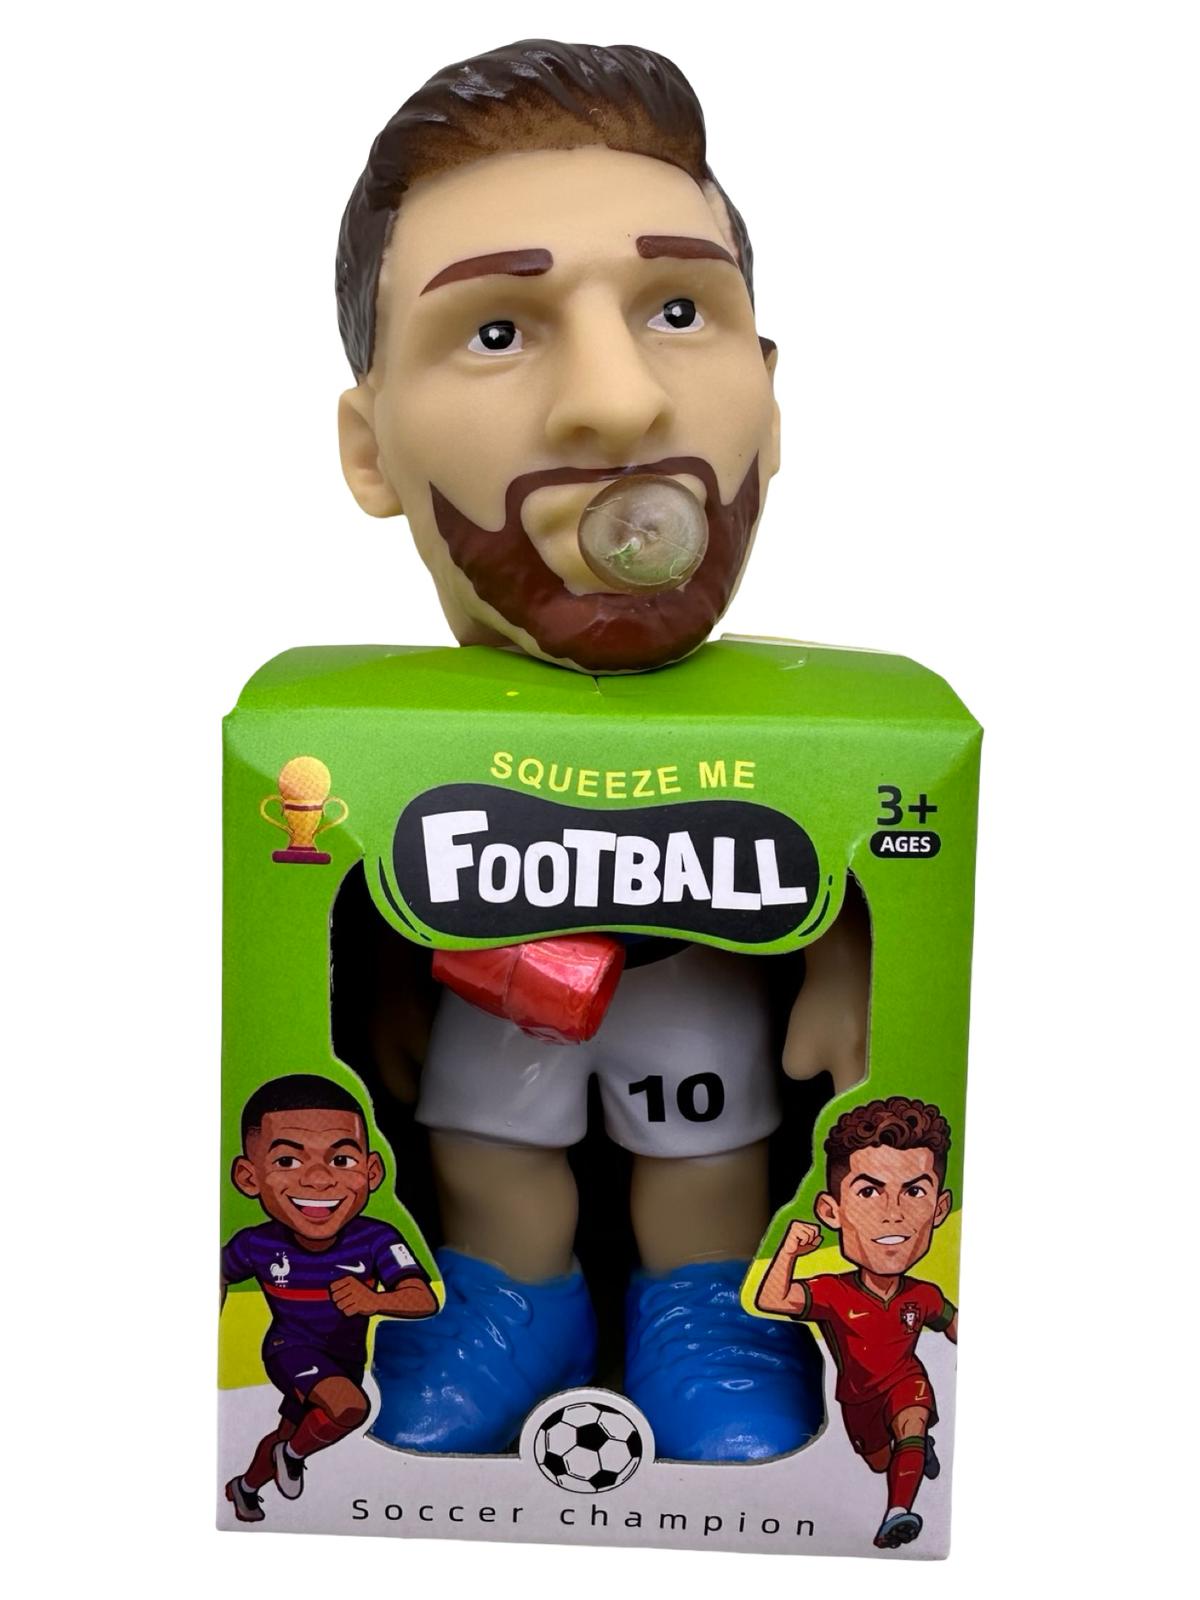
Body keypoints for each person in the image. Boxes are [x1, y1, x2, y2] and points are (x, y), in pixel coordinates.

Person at [335, 39, 870, 1460]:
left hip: (691, 987)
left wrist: (843, 970)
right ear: (370, 450)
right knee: (489, 1158)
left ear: (770, 396)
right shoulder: (367, 745)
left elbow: (838, 841)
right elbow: (357, 872)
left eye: (678, 309)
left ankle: (708, 1314)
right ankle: (510, 1308)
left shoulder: (816, 736)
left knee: (707, 1160)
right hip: (495, 992)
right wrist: (375, 988)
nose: (619, 402)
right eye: (498, 330)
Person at [221, 1074, 437, 1521]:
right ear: (248, 1177)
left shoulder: (377, 1239)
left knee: (290, 1429)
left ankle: (245, 1486)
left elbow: (422, 1299)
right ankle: (292, 1456)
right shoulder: (256, 1244)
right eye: (287, 1161)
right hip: (290, 1348)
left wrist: (374, 1300)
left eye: (341, 1159)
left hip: (345, 1358)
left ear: (371, 1172)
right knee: (348, 1406)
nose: (319, 1179)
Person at [756, 1097, 958, 1550]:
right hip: (856, 1398)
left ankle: (898, 1511)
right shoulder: (833, 1292)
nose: (893, 1213)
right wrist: (789, 1249)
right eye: (869, 1193)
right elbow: (772, 1299)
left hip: (906, 1381)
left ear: (940, 1207)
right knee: (878, 1461)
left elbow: (953, 1323)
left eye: (915, 1192)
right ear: (832, 1211)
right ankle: (909, 1454)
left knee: (912, 1417)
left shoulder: (923, 1296)